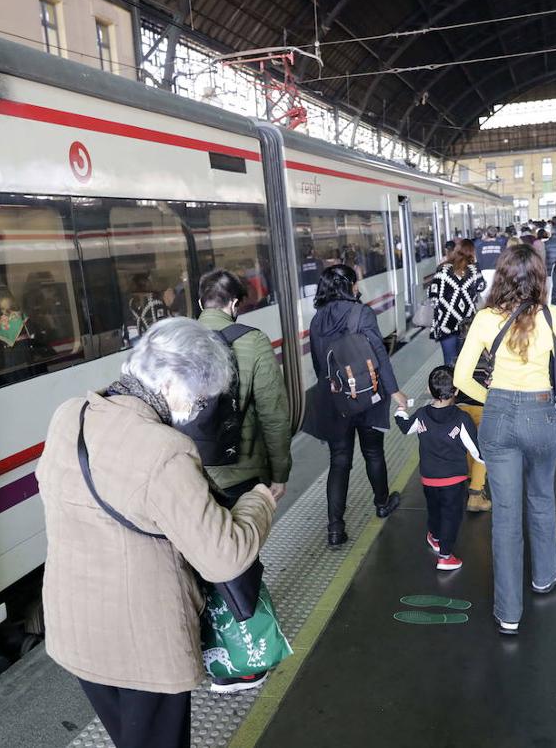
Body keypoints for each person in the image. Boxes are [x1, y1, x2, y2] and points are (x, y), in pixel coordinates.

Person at [36, 318, 282, 747]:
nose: (199, 409)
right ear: (171, 383)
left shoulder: (68, 415)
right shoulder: (165, 450)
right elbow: (223, 555)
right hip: (140, 643)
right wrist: (258, 501)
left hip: (75, 629)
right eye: (200, 396)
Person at [453, 245, 556, 636]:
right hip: (542, 416)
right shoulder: (552, 316)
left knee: (505, 516)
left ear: (500, 276)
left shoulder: (485, 319)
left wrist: (495, 398)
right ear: (539, 277)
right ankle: (544, 576)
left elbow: (460, 378)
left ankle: (508, 613)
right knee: (541, 497)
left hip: (499, 419)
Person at [309, 265, 408, 546]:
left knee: (339, 461)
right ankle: (382, 503)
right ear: (348, 285)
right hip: (368, 395)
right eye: (355, 282)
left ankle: (335, 529)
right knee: (373, 452)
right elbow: (379, 355)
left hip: (334, 398)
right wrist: (395, 390)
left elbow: (319, 365)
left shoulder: (317, 320)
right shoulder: (361, 313)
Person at [196, 270, 292, 508]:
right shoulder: (254, 341)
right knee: (243, 542)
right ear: (234, 304)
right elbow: (274, 416)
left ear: (200, 303)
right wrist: (280, 475)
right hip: (242, 473)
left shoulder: (174, 342)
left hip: (190, 474)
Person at [394, 366, 483, 571]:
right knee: (451, 516)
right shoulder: (462, 419)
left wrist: (400, 410)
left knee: (434, 511)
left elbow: (406, 428)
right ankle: (445, 556)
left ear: (428, 389)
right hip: (454, 481)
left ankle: (434, 537)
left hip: (429, 479)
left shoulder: (422, 415)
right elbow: (477, 452)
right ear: (457, 391)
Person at [427, 238, 485, 366]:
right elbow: (481, 287)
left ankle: (450, 384)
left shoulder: (442, 269)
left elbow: (432, 294)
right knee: (466, 361)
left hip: (446, 322)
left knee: (449, 361)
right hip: (467, 323)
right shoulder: (474, 270)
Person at [475, 229, 506, 301]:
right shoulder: (501, 246)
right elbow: (505, 259)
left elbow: (477, 260)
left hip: (484, 271)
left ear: (486, 234)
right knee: (497, 292)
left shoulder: (480, 247)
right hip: (497, 271)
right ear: (496, 234)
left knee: (485, 293)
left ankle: (487, 307)